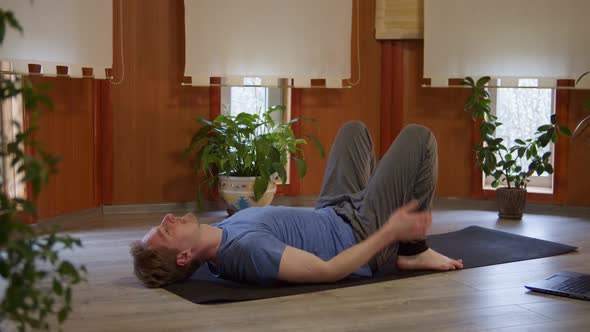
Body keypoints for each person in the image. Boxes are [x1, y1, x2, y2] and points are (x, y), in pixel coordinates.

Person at [131, 121, 463, 288]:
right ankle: (412, 249)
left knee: (353, 130)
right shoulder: (247, 251)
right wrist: (390, 232)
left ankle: (379, 202)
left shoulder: (215, 235)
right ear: (185, 255)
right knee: (419, 137)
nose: (169, 217)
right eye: (165, 229)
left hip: (332, 210)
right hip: (360, 234)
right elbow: (328, 271)